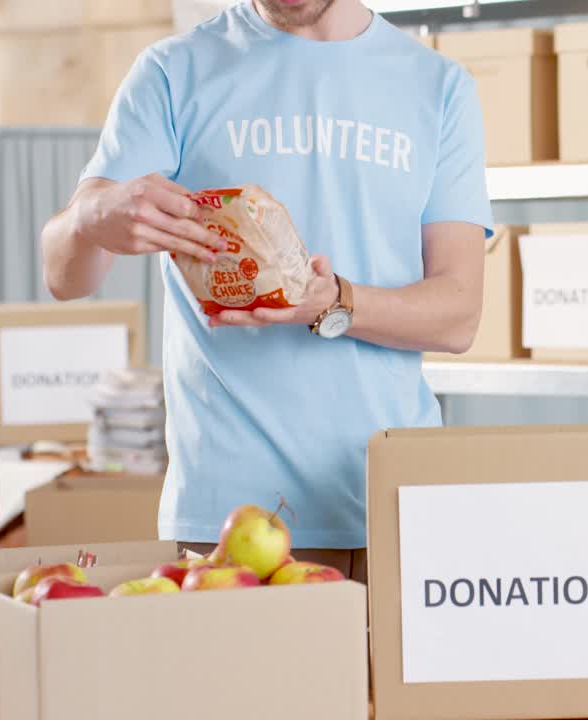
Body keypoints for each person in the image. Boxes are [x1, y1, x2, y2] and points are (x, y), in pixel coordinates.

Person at [41, 0, 492, 581]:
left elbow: (458, 315)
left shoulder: (438, 86)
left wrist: (334, 302)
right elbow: (65, 276)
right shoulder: (174, 71)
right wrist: (89, 217)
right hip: (227, 519)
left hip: (394, 502)